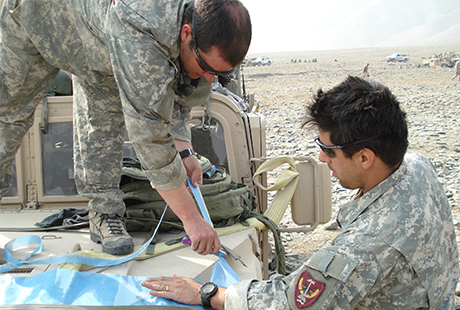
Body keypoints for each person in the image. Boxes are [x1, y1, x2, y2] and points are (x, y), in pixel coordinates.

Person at [141, 76, 459, 309]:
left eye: (327, 149)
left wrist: (208, 294)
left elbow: (289, 301)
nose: (321, 158)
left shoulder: (366, 246)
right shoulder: (416, 166)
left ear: (365, 158)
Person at [0, 0, 251, 255]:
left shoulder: (198, 22)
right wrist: (192, 219)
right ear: (186, 32)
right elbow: (149, 133)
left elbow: (178, 84)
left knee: (102, 125)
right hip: (37, 18)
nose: (210, 78)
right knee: (5, 119)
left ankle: (104, 212)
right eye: (207, 68)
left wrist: (184, 151)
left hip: (98, 42)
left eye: (218, 74)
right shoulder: (140, 24)